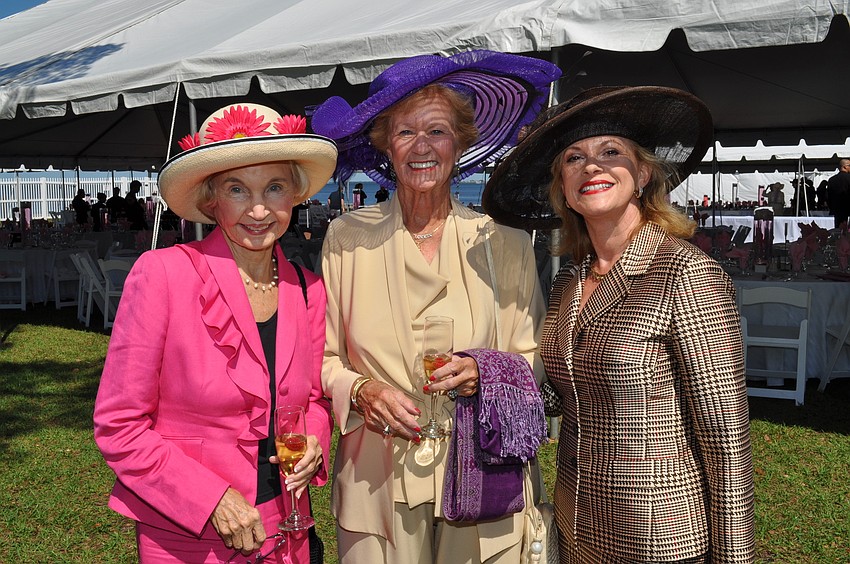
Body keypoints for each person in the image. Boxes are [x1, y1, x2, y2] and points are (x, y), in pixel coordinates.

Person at [484, 86, 755, 562]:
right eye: (573, 158)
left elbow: (726, 439)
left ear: (643, 173)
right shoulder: (569, 278)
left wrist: (734, 557)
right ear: (563, 187)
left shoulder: (685, 273)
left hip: (659, 538)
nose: (591, 166)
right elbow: (564, 391)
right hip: (576, 527)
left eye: (611, 153)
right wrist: (485, 373)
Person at [312, 50, 561, 563]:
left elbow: (537, 358)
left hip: (483, 472)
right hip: (375, 478)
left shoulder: (503, 241)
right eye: (405, 132)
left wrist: (485, 370)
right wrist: (360, 390)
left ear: (460, 142)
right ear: (386, 145)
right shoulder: (347, 238)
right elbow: (322, 356)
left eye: (437, 131)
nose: (421, 147)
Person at [93, 103, 337, 563]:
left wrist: (313, 441)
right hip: (190, 537)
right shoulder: (163, 274)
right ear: (211, 200)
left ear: (295, 196)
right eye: (237, 189)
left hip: (289, 532)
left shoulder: (308, 289)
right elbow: (119, 426)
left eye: (275, 187)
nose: (260, 209)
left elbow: (314, 401)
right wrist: (211, 499)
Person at [827, 158, 850, 228]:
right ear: (845, 166)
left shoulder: (832, 180)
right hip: (848, 208)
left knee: (838, 230)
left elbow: (828, 196)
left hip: (836, 209)